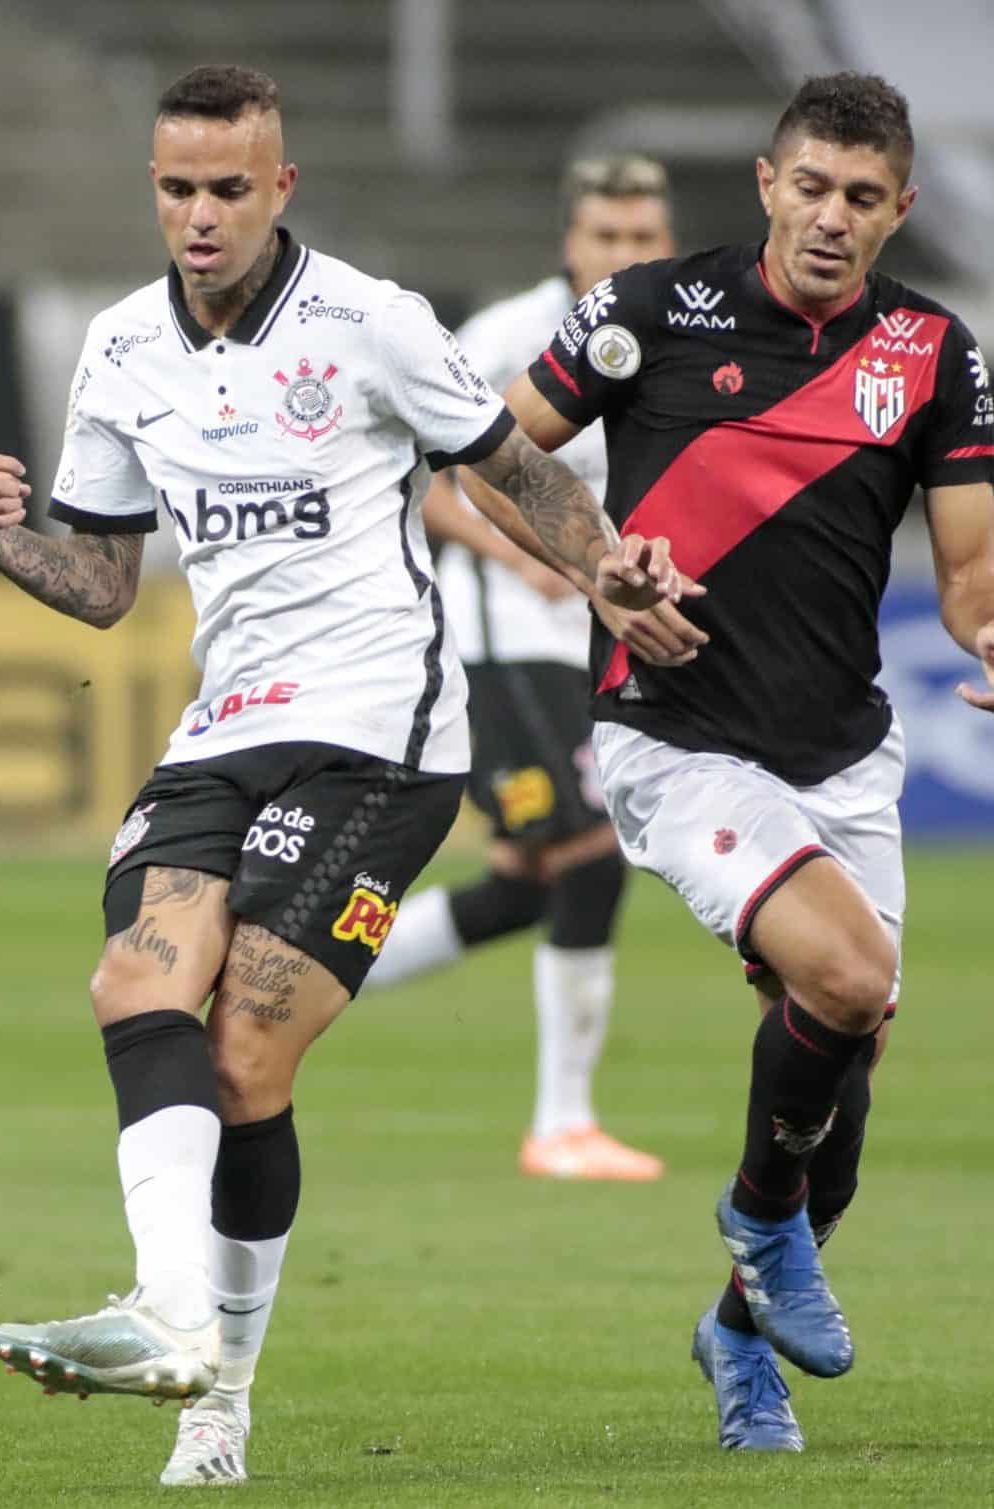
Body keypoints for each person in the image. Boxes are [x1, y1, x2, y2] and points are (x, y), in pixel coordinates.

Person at [0, 64, 691, 1488]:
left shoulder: (371, 322)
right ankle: (170, 1313)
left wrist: (604, 572)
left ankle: (214, 1400)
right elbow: (105, 585)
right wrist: (7, 543)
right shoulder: (118, 352)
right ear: (153, 192)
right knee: (135, 982)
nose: (203, 215)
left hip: (384, 730)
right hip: (223, 728)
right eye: (178, 189)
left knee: (245, 1050)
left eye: (231, 187)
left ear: (280, 186)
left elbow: (504, 470)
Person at [495, 72, 994, 1452]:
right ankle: (758, 1223)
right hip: (676, 737)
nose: (832, 217)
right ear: (766, 182)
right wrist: (602, 573)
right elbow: (490, 457)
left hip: (844, 754)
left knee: (845, 1067)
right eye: (811, 186)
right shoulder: (648, 314)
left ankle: (739, 1331)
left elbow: (969, 565)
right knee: (848, 977)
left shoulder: (929, 351)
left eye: (863, 197)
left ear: (899, 208)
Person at [366, 155, 678, 1184]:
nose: (623, 256)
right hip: (499, 640)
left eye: (641, 239)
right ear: (569, 243)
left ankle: (279, 969)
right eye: (605, 236)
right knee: (588, 854)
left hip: (597, 641)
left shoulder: (683, 336)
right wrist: (540, 560)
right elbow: (427, 482)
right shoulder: (510, 334)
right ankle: (561, 1125)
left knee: (519, 889)